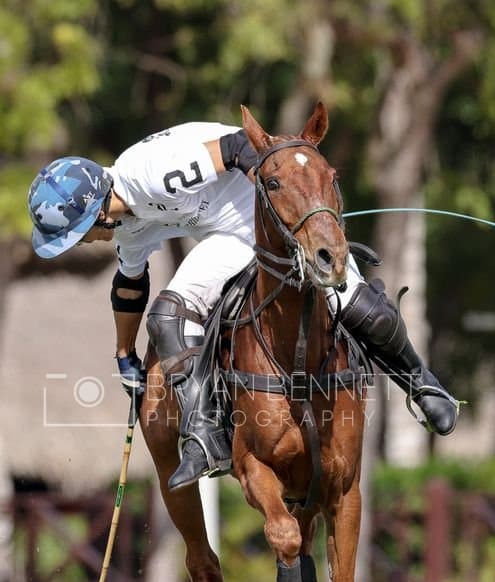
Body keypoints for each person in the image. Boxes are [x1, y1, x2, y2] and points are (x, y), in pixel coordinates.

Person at [27, 119, 458, 491]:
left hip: (275, 214)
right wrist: (125, 355)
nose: (81, 243)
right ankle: (206, 437)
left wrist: (283, 204)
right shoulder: (126, 225)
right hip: (228, 237)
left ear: (93, 212)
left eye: (76, 235)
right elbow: (129, 285)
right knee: (166, 317)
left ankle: (422, 384)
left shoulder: (151, 176)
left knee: (360, 308)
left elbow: (237, 146)